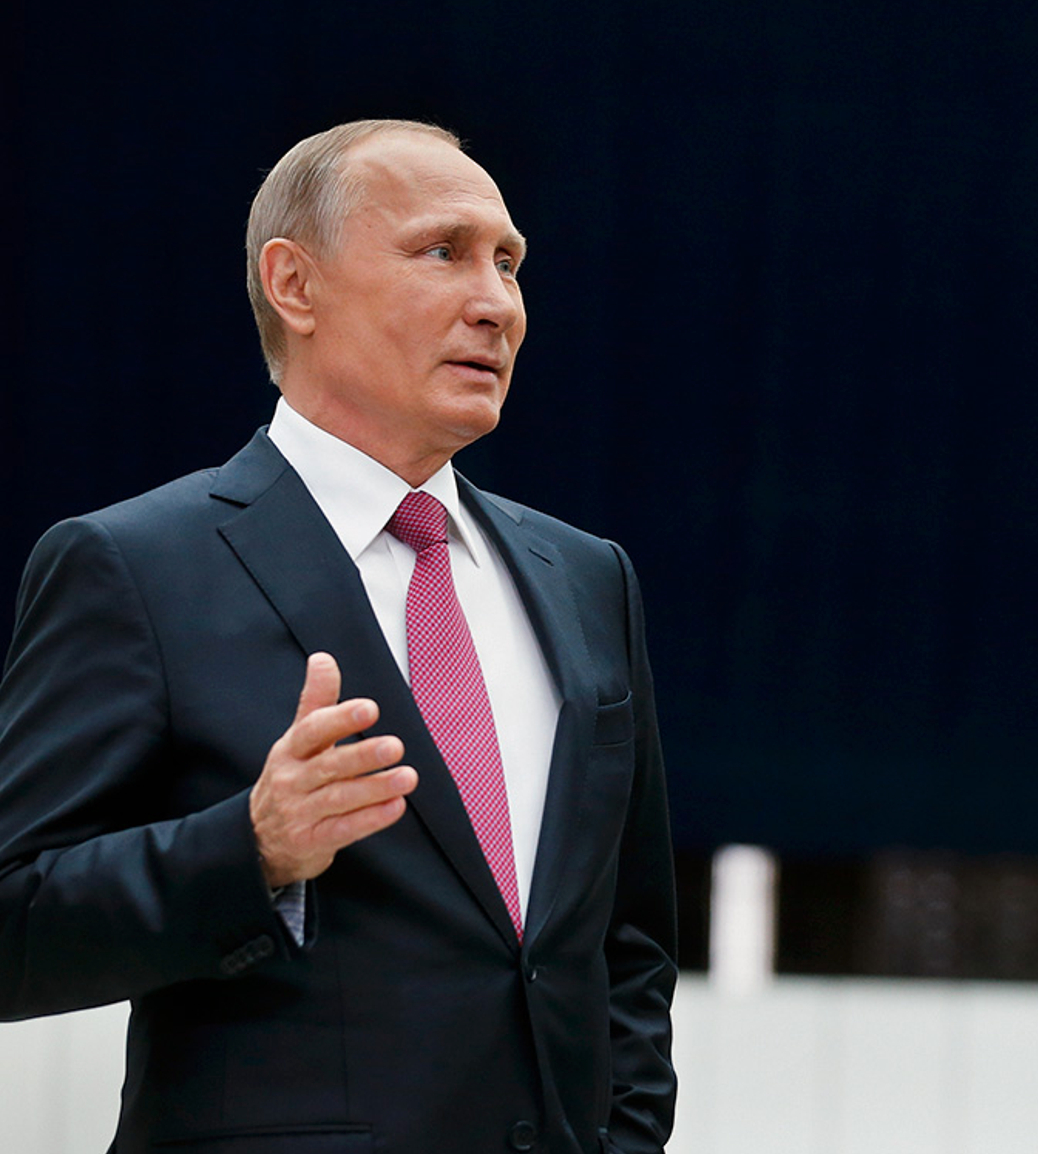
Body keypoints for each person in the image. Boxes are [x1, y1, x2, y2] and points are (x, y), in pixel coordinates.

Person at [0, 120, 677, 1154]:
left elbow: (626, 942)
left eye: (507, 263)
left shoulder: (588, 579)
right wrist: (251, 850)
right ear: (295, 285)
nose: (496, 303)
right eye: (442, 250)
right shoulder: (134, 566)